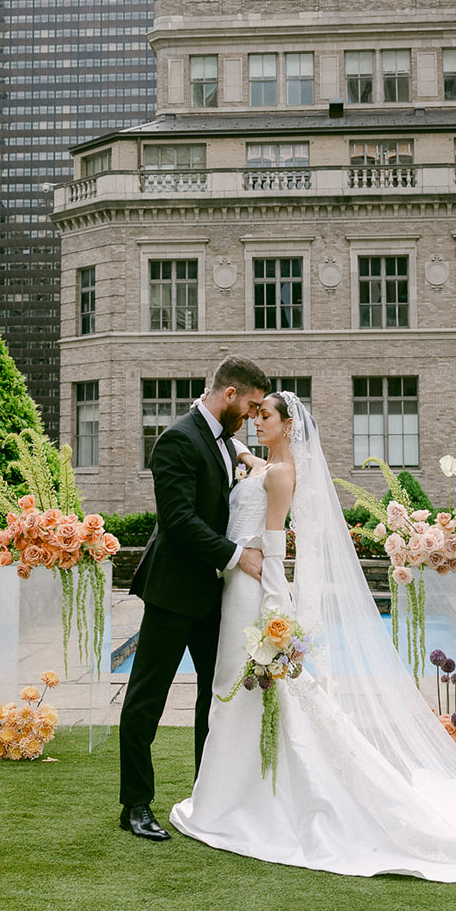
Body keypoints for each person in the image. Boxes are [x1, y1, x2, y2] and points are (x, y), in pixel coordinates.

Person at [171, 391, 456, 881]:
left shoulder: (279, 473)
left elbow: (273, 545)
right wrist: (216, 426)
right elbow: (251, 462)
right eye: (254, 415)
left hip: (253, 592)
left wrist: (276, 614)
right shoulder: (265, 464)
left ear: (288, 425)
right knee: (234, 694)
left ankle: (241, 803)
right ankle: (234, 794)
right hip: (235, 590)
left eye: (264, 416)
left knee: (254, 693)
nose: (255, 423)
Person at [118, 354, 271, 841]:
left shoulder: (227, 442)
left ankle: (209, 798)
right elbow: (180, 521)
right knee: (147, 699)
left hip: (214, 597)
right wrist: (237, 556)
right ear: (229, 395)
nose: (250, 416)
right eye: (248, 406)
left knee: (216, 696)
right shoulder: (177, 440)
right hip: (173, 591)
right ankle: (135, 805)